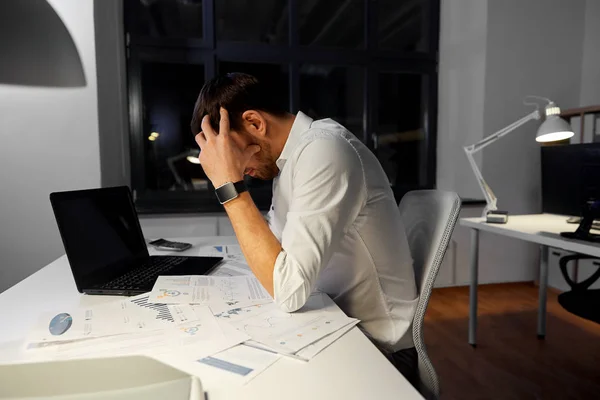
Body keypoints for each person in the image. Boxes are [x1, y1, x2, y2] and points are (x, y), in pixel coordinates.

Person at [191, 73, 419, 386]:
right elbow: (278, 256)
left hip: (378, 347)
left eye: (231, 154)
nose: (242, 169)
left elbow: (288, 291)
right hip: (334, 321)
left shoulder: (325, 151)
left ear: (255, 123)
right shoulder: (290, 163)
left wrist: (228, 186)